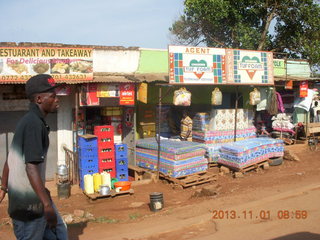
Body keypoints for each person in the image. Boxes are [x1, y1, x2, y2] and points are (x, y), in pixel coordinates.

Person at [0, 74, 68, 240]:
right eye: (53, 96)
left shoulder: (32, 121)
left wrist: (3, 187)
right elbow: (31, 167)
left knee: (60, 232)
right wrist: (46, 205)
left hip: (36, 201)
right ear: (39, 99)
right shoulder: (33, 124)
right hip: (28, 209)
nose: (57, 99)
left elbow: (10, 158)